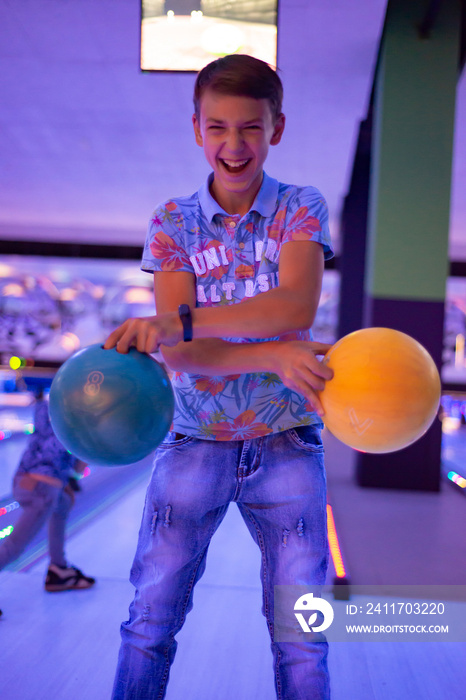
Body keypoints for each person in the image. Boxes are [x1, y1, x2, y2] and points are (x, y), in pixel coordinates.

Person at [104, 54, 334, 699]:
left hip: (288, 439)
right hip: (194, 439)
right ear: (197, 129)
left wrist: (185, 322)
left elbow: (294, 307)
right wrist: (272, 353)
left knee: (303, 634)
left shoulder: (300, 206)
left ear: (277, 128)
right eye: (218, 128)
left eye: (251, 128)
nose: (234, 145)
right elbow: (181, 354)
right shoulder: (172, 221)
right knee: (149, 622)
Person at [0, 389, 95, 614]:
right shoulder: (83, 426)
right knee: (15, 546)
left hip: (22, 480)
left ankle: (58, 569)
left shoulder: (46, 410)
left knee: (62, 503)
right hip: (43, 490)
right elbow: (79, 470)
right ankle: (58, 568)